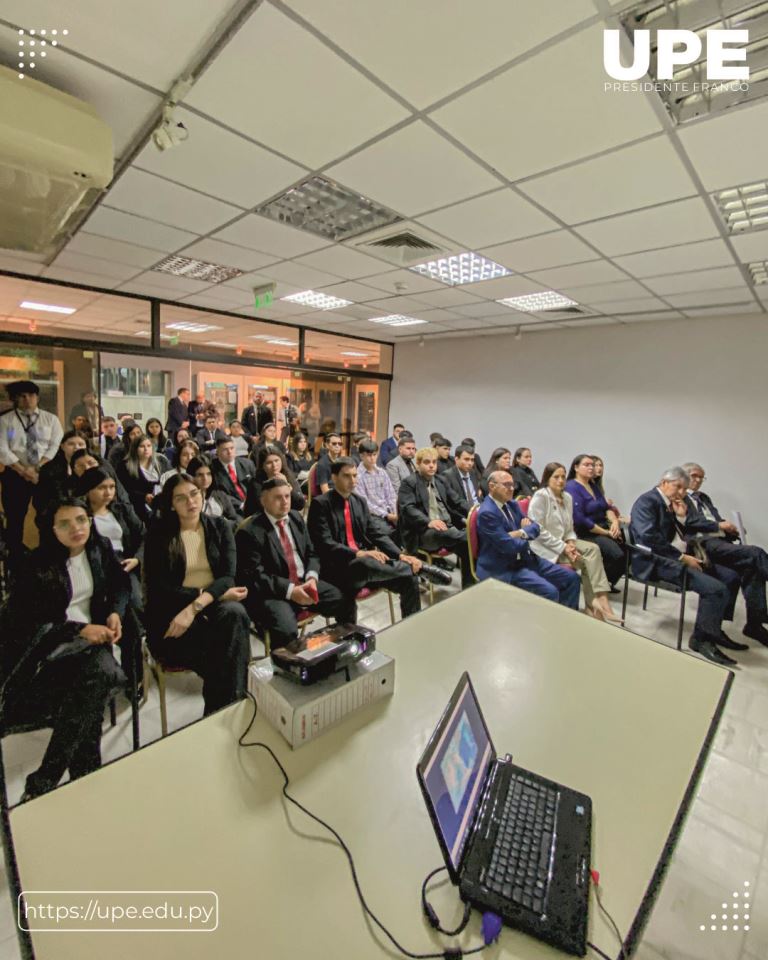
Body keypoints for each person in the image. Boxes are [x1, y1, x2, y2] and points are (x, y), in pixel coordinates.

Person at [0, 497, 128, 799]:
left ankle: (60, 778)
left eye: (82, 520)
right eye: (65, 524)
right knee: (100, 672)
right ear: (52, 528)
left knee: (92, 684)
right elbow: (27, 625)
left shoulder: (98, 548)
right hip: (51, 654)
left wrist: (115, 612)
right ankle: (68, 774)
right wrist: (80, 629)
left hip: (93, 650)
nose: (76, 529)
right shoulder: (35, 565)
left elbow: (121, 581)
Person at [143, 475, 250, 717]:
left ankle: (219, 715)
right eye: (181, 498)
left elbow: (227, 577)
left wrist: (196, 605)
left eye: (194, 494)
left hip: (205, 607)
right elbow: (161, 589)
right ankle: (230, 712)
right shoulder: (159, 535)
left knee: (235, 615)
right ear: (171, 504)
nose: (191, 502)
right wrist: (211, 597)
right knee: (226, 653)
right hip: (172, 616)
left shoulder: (220, 526)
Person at [630, 467, 743, 666]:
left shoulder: (673, 504)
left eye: (684, 489)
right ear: (664, 483)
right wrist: (682, 557)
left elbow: (678, 534)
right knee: (715, 589)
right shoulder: (647, 501)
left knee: (731, 577)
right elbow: (649, 537)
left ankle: (713, 628)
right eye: (678, 487)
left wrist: (681, 518)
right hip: (656, 561)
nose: (682, 493)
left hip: (679, 556)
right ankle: (701, 640)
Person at [236, 477, 356, 650]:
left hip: (305, 582)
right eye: (278, 498)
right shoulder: (250, 532)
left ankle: (342, 649)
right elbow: (256, 576)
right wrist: (291, 591)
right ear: (263, 501)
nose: (285, 502)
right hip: (274, 593)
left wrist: (312, 577)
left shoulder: (295, 517)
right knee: (286, 632)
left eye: (287, 496)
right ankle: (293, 668)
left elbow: (312, 553)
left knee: (346, 602)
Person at [308, 459, 423, 619]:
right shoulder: (320, 504)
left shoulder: (359, 501)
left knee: (409, 580)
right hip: (338, 569)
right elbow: (324, 543)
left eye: (355, 476)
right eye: (346, 476)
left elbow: (375, 533)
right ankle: (419, 568)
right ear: (334, 478)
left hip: (367, 570)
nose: (353, 481)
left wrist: (400, 555)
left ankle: (411, 625)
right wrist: (359, 554)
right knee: (366, 561)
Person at [681, 462, 768, 645]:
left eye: (701, 477)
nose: (698, 480)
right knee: (756, 553)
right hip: (702, 544)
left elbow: (716, 518)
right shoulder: (680, 496)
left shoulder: (704, 497)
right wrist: (719, 526)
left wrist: (730, 528)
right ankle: (721, 630)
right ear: (685, 476)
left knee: (751, 569)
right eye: (694, 476)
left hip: (719, 542)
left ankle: (754, 624)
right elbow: (689, 522)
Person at [528, 463, 619, 621]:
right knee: (586, 562)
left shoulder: (567, 497)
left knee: (593, 549)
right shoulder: (541, 496)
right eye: (556, 477)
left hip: (564, 542)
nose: (561, 480)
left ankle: (599, 600)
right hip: (545, 547)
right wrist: (564, 547)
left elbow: (570, 527)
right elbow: (538, 531)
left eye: (563, 476)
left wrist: (570, 542)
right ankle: (593, 605)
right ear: (547, 479)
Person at [476, 471, 580, 609]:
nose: (512, 489)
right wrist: (525, 533)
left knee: (572, 578)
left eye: (512, 485)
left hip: (526, 559)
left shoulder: (511, 504)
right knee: (549, 591)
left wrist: (519, 533)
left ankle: (566, 619)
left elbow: (535, 527)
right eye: (507, 485)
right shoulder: (487, 513)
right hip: (504, 568)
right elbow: (509, 546)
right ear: (492, 486)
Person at [0, 379, 64, 574]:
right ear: (16, 399)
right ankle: (15, 563)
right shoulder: (6, 420)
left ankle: (47, 557)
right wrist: (22, 470)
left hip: (43, 473)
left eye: (31, 395)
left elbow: (54, 444)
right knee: (15, 518)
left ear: (37, 397)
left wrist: (38, 467)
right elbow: (2, 449)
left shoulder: (50, 419)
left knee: (47, 515)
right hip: (15, 474)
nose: (27, 400)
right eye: (22, 396)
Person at [397, 447, 472, 588]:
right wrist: (429, 521)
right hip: (423, 533)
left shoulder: (440, 480)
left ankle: (469, 586)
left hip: (446, 530)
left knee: (467, 545)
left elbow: (457, 501)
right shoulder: (409, 483)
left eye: (434, 462)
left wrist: (476, 511)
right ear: (418, 464)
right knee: (466, 536)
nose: (432, 465)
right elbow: (408, 509)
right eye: (427, 462)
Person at [566, 454, 626, 590]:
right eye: (586, 465)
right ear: (576, 467)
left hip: (604, 528)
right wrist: (606, 532)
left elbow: (607, 507)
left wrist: (615, 522)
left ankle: (603, 581)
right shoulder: (571, 487)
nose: (591, 468)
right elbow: (580, 519)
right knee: (617, 555)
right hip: (588, 532)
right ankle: (597, 583)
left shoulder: (593, 485)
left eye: (592, 465)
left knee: (628, 552)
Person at [32, 429, 88, 521]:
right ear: (62, 446)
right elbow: (40, 499)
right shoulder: (49, 469)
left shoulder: (94, 465)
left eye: (81, 444)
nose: (76, 447)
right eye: (71, 444)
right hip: (55, 517)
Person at [115, 433, 170, 522]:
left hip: (161, 506)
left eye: (148, 446)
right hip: (137, 509)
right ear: (135, 449)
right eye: (142, 446)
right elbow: (123, 491)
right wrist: (143, 497)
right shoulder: (124, 466)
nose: (146, 449)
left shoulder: (161, 462)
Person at [354, 439, 400, 541]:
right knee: (389, 533)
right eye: (369, 455)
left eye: (374, 454)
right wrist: (387, 515)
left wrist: (395, 512)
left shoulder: (382, 472)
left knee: (409, 527)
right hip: (371, 515)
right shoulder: (357, 476)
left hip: (389, 512)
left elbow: (391, 495)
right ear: (361, 456)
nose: (372, 458)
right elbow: (365, 504)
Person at [244, 447, 305, 518]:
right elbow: (266, 508)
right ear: (262, 466)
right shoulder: (256, 482)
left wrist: (286, 485)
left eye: (276, 461)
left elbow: (300, 504)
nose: (274, 465)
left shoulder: (287, 475)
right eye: (269, 463)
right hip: (262, 519)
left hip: (285, 516)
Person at [187, 455, 239, 524]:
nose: (205, 479)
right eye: (200, 475)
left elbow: (234, 520)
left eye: (208, 474)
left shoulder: (220, 495)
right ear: (191, 476)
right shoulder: (189, 500)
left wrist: (222, 525)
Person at [211, 436, 256, 514]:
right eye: (225, 449)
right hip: (231, 509)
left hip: (253, 504)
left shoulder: (247, 463)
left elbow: (256, 485)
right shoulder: (212, 469)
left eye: (232, 448)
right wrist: (241, 505)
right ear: (217, 452)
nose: (229, 452)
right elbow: (218, 493)